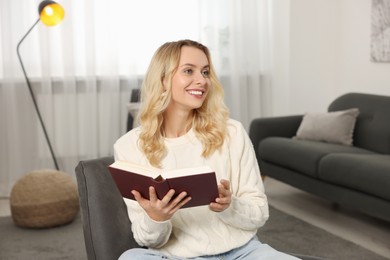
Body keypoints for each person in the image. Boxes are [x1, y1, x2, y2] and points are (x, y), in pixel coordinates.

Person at [114, 39, 299, 259]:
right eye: (188, 71)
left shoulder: (232, 132)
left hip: (243, 253)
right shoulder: (128, 147)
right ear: (163, 80)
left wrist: (230, 206)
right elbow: (146, 239)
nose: (201, 80)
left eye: (205, 72)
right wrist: (156, 218)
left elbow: (259, 213)